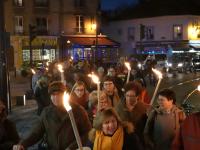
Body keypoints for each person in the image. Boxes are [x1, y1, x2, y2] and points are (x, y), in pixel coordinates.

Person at [13, 81, 91, 150]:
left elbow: (86, 133)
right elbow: (36, 132)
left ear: (64, 95)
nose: (56, 97)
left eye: (59, 94)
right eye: (53, 95)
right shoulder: (46, 112)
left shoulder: (78, 111)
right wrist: (23, 144)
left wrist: (71, 147)